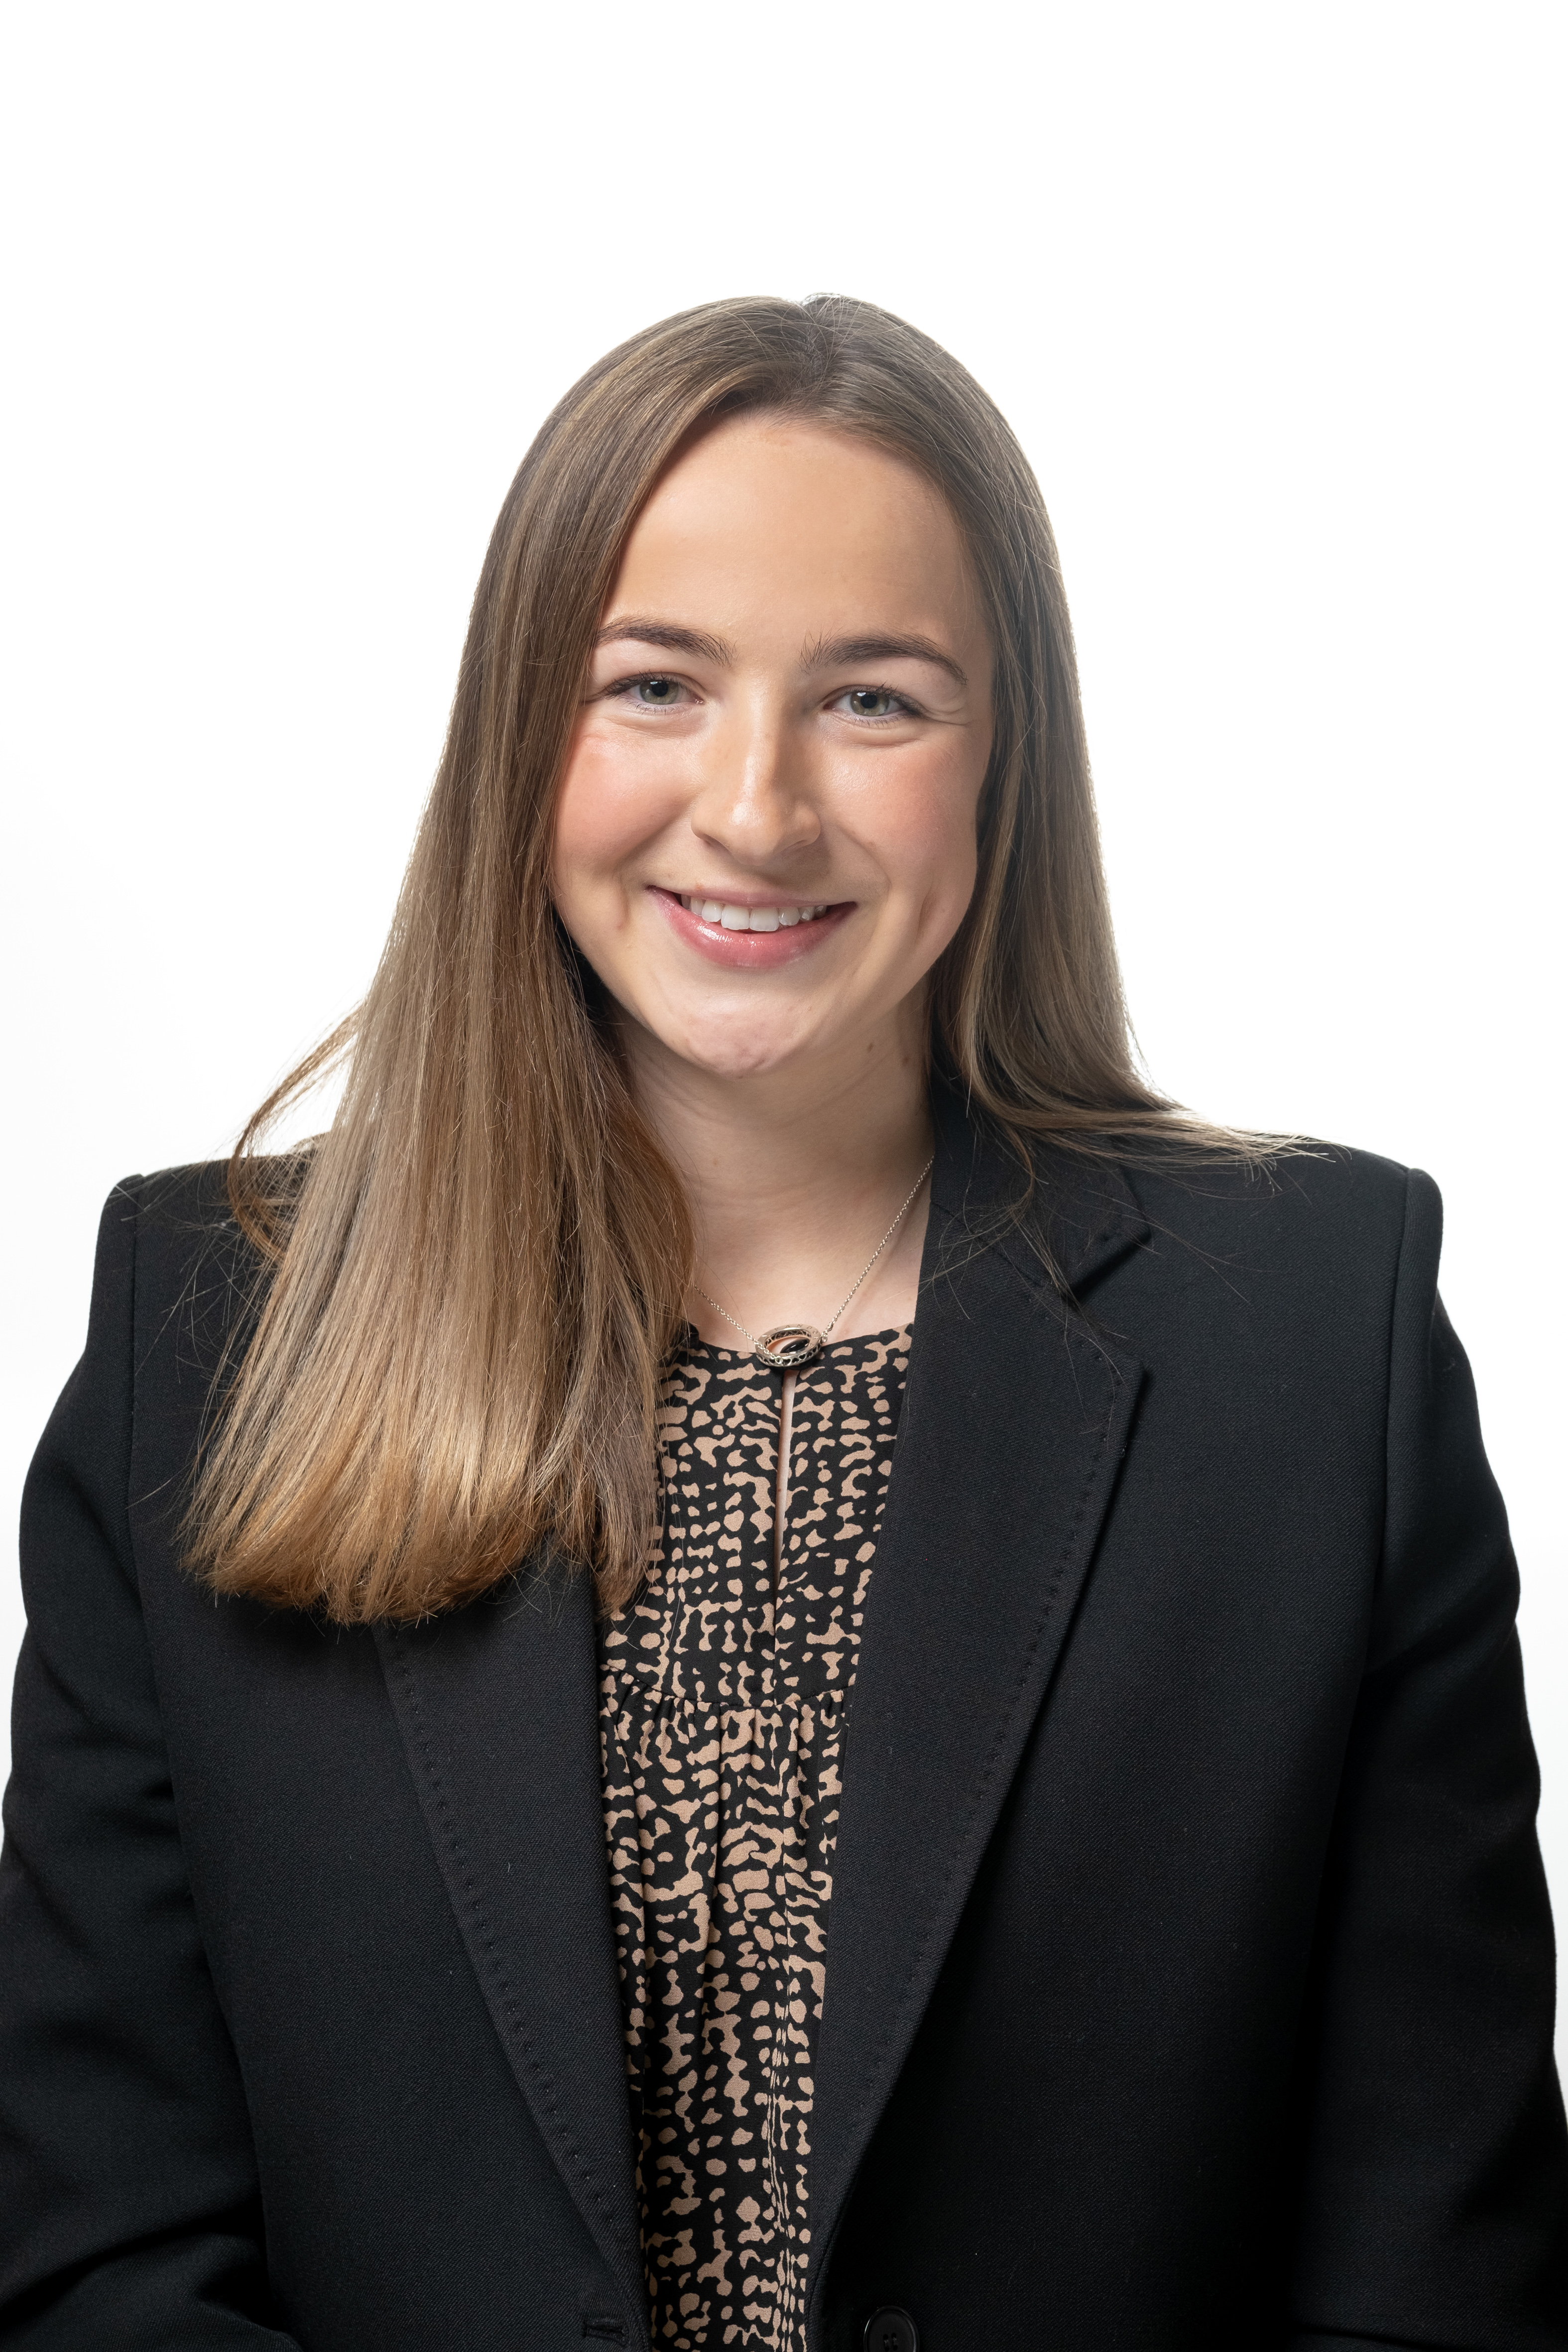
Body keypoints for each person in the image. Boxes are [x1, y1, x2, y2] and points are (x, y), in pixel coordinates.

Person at [1, 294, 1563, 2352]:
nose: (752, 806)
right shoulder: (208, 1333)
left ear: (1003, 759)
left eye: (873, 700)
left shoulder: (1307, 1342)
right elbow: (100, 2258)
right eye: (652, 682)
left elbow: (1432, 2281)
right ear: (515, 739)